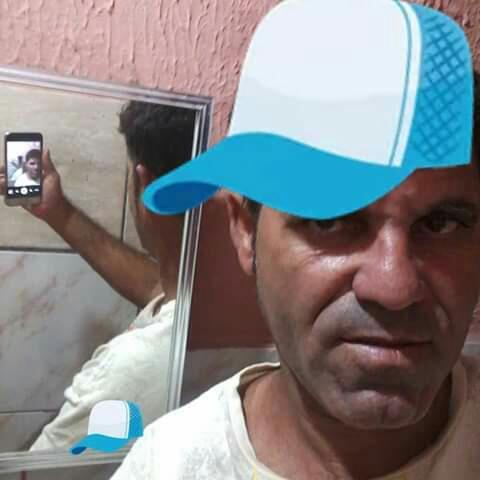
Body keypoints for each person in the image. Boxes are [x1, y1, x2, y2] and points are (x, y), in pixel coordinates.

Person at [110, 0, 480, 479]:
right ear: (245, 230)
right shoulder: (169, 467)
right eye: (329, 219)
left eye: (441, 223)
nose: (394, 287)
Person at [0, 101, 277, 451]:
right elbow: (157, 289)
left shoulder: (127, 373)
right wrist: (59, 213)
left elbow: (34, 473)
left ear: (145, 186)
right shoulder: (254, 308)